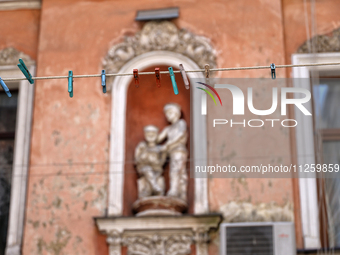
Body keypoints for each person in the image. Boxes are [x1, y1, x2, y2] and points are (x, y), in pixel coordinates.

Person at [157, 103, 188, 202]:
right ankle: (177, 191)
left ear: (176, 113)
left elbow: (180, 135)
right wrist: (151, 135)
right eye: (167, 113)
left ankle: (176, 191)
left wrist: (167, 144)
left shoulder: (181, 123)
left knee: (177, 170)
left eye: (170, 113)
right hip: (171, 152)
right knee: (173, 171)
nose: (167, 116)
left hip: (179, 150)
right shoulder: (168, 129)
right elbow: (158, 138)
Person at [134, 125, 166, 197]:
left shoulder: (159, 148)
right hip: (143, 168)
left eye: (153, 134)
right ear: (145, 135)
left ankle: (147, 191)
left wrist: (164, 154)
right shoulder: (142, 146)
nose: (151, 136)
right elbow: (136, 160)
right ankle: (155, 187)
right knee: (147, 170)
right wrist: (144, 156)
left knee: (153, 175)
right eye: (148, 134)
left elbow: (162, 162)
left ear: (156, 135)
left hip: (157, 169)